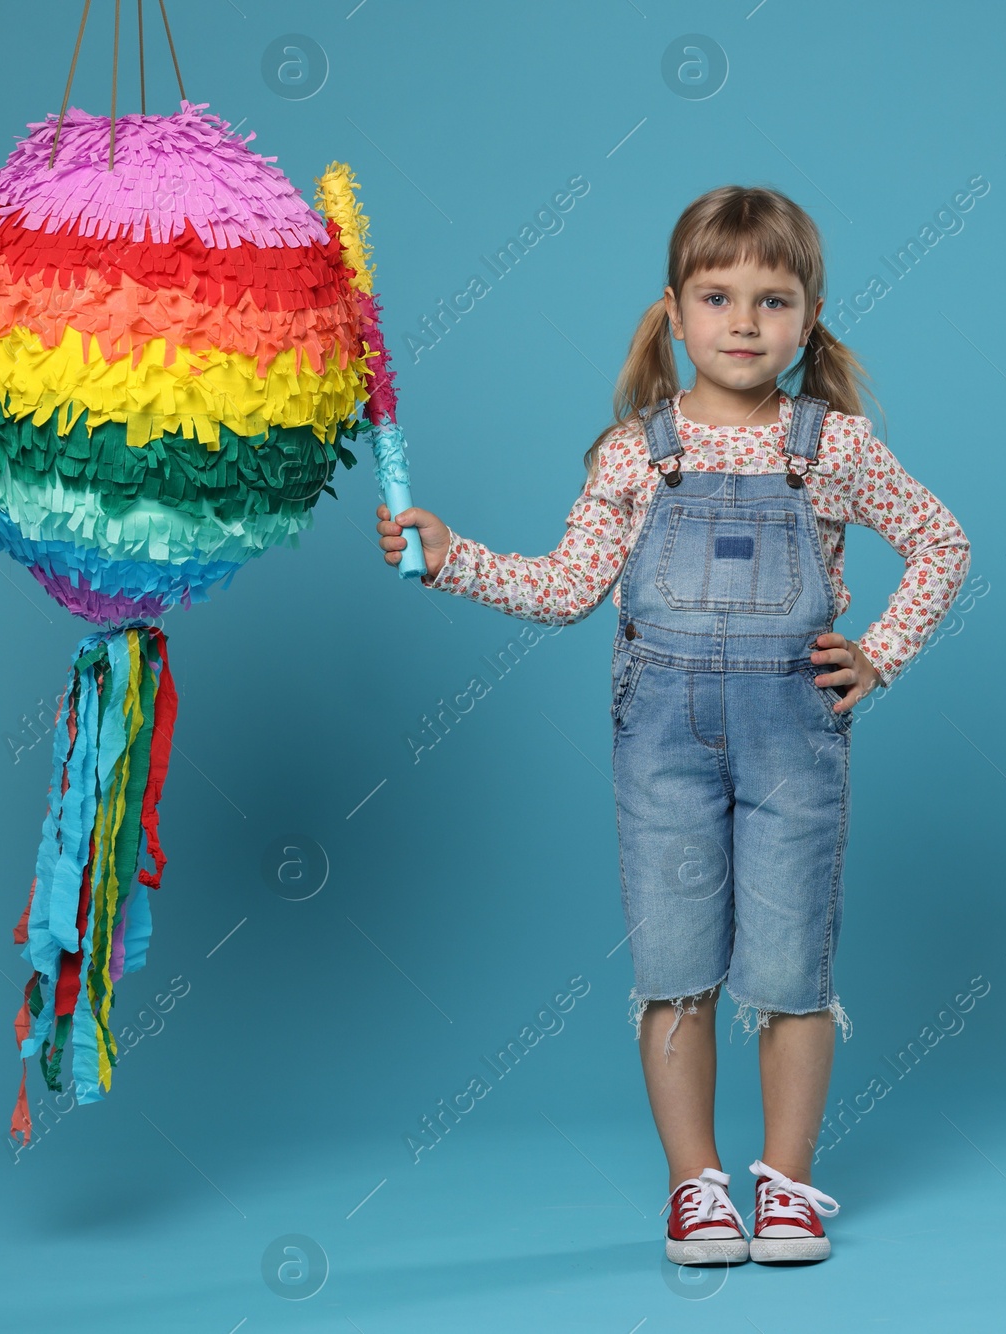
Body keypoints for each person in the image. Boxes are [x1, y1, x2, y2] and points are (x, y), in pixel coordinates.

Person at [375, 185, 970, 1266]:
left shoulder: (831, 444)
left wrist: (879, 650)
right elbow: (564, 589)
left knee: (793, 964)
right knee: (674, 961)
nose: (744, 321)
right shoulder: (631, 453)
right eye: (718, 295)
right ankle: (694, 1185)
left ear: (810, 316)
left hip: (796, 736)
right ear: (673, 311)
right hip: (662, 743)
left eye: (773, 299)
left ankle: (784, 1186)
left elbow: (942, 542)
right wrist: (451, 554)